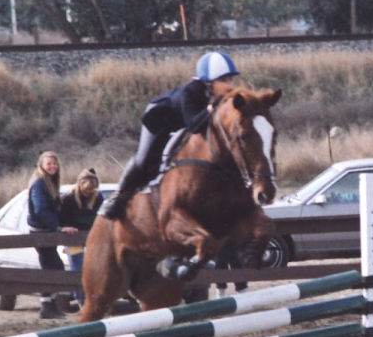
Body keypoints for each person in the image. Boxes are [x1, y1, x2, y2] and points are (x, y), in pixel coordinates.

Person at [99, 51, 240, 220]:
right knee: (144, 159)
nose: (229, 84)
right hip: (158, 120)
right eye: (224, 80)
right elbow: (194, 125)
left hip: (181, 125)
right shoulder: (191, 93)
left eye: (230, 79)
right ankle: (117, 197)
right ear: (208, 82)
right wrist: (210, 108)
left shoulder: (217, 96)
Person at [27, 151, 78, 320]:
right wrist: (56, 226)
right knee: (52, 267)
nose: (52, 166)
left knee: (52, 266)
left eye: (55, 163)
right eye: (49, 163)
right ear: (41, 165)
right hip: (41, 231)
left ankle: (50, 305)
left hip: (46, 230)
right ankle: (47, 306)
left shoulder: (51, 183)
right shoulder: (39, 183)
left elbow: (54, 207)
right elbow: (40, 209)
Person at [59, 168, 104, 307]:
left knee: (95, 265)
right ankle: (80, 299)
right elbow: (61, 219)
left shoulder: (98, 197)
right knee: (76, 265)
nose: (88, 193)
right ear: (79, 185)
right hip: (73, 238)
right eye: (86, 190)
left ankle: (96, 296)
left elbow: (100, 217)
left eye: (91, 190)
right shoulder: (68, 198)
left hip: (91, 236)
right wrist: (64, 229)